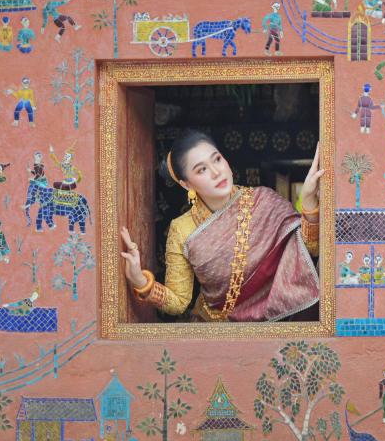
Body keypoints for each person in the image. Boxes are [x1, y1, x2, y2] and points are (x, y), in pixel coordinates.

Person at [119, 131, 323, 322]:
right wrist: (141, 282)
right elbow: (179, 303)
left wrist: (308, 203)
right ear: (186, 185)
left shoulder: (264, 200)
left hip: (273, 328)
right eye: (202, 169)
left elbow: (309, 250)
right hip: (213, 332)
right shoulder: (182, 229)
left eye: (217, 159)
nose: (216, 172)